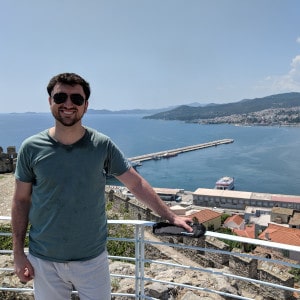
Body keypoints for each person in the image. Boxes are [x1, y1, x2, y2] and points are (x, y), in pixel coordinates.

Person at [11, 72, 193, 300]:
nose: (68, 104)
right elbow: (21, 200)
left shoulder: (102, 145)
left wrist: (170, 216)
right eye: (60, 97)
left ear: (86, 106)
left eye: (76, 99)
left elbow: (135, 183)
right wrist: (17, 252)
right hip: (44, 260)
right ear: (50, 101)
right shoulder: (31, 148)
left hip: (92, 260)